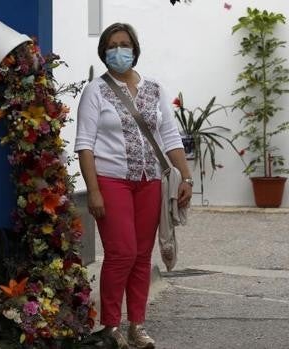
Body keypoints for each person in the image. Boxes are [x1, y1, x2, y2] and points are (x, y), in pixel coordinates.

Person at [75, 23, 192, 348]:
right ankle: (111, 326)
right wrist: (94, 190)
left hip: (150, 182)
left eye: (125, 44)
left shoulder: (155, 88)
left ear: (135, 49)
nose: (119, 50)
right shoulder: (95, 91)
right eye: (112, 45)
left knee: (142, 256)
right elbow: (84, 144)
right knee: (121, 253)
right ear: (104, 51)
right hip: (111, 182)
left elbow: (169, 137)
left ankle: (136, 327)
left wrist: (186, 176)